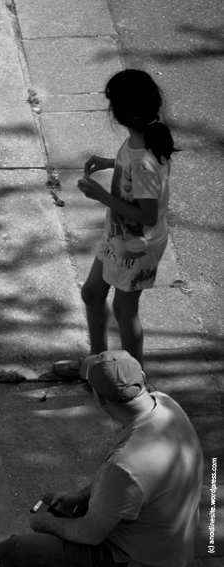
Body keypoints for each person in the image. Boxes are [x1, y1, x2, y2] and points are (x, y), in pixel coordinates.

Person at [0, 350, 203, 567]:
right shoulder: (167, 404)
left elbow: (90, 534)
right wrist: (80, 496)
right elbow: (129, 483)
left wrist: (47, 523)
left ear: (98, 398)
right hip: (166, 547)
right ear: (142, 379)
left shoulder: (126, 464)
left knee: (2, 554)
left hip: (132, 559)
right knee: (47, 502)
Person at [54, 69, 178, 378]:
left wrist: (101, 195)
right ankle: (97, 365)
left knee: (124, 311)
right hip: (119, 236)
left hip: (137, 246)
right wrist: (112, 163)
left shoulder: (144, 163)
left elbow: (148, 216)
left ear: (124, 113)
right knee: (92, 294)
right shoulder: (142, 139)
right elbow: (134, 169)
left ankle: (133, 382)